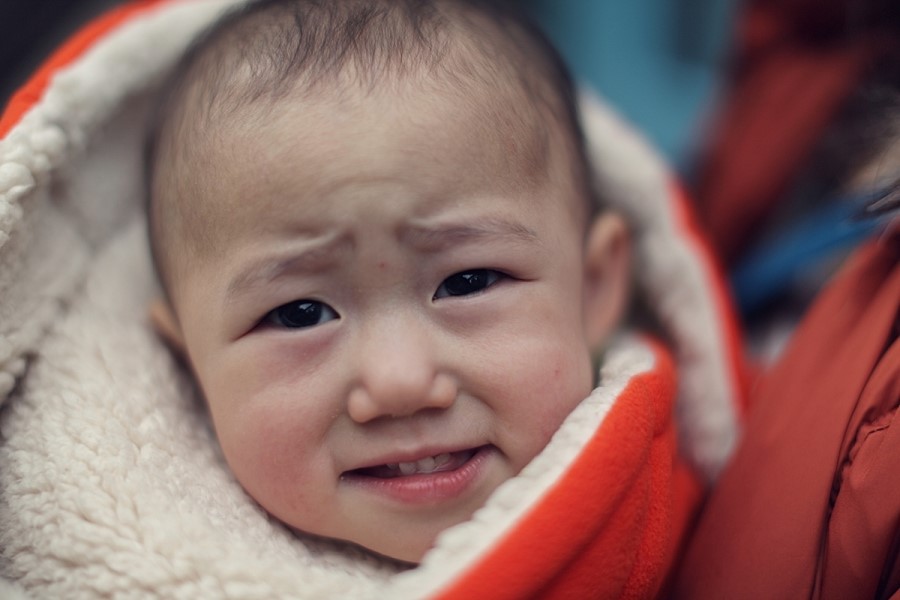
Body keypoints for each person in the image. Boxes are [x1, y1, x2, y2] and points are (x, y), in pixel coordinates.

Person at [142, 0, 633, 564]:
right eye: (300, 313)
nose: (400, 382)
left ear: (592, 287)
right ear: (187, 359)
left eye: (467, 281)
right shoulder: (155, 561)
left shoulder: (693, 499)